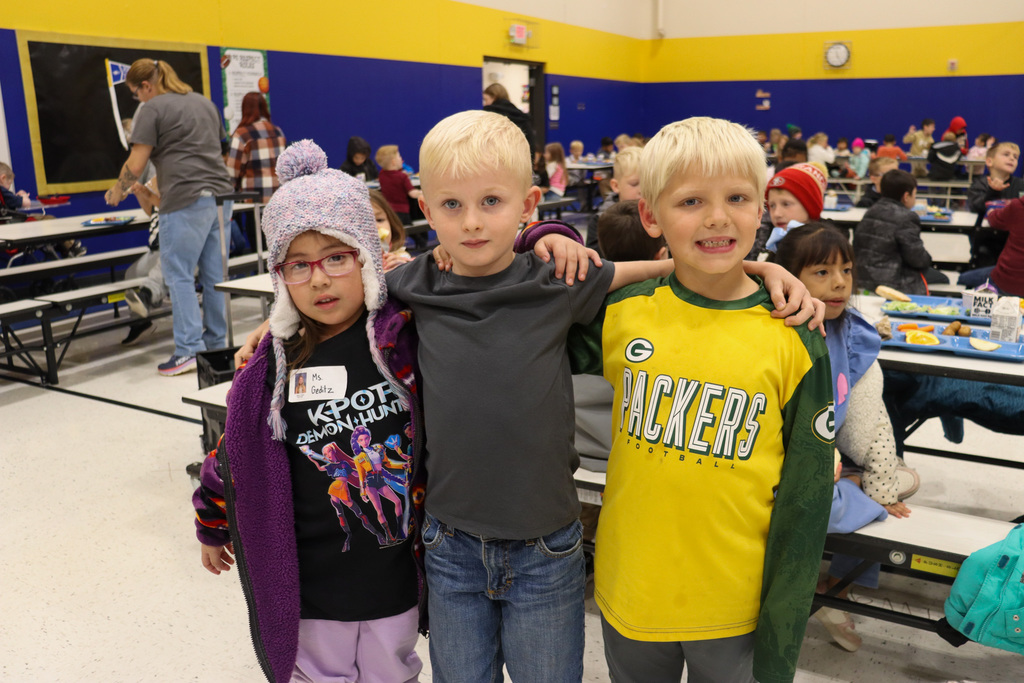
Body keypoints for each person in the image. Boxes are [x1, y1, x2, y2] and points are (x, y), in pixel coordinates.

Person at [567, 116, 834, 683]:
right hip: (632, 584)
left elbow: (806, 497)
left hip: (735, 603)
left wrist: (784, 617)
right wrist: (541, 237)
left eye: (737, 198)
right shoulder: (622, 311)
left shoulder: (794, 330)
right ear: (650, 216)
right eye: (690, 201)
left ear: (761, 208)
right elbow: (522, 305)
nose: (717, 217)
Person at [192, 140, 426, 683]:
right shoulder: (270, 371)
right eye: (298, 265)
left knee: (393, 672)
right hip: (309, 585)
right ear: (279, 278)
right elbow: (235, 454)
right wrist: (211, 519)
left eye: (336, 257)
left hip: (394, 575)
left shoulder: (405, 340)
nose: (319, 279)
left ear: (368, 258)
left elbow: (469, 276)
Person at [775, 223, 920, 652]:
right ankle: (809, 591)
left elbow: (867, 419)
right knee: (832, 503)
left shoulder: (851, 332)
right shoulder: (773, 332)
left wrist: (874, 477)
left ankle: (837, 587)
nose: (839, 283)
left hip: (826, 461)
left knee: (897, 481)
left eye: (846, 269)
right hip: (777, 471)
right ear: (785, 276)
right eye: (821, 271)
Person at [104, 58, 234, 376]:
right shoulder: (204, 103)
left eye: (136, 93)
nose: (138, 100)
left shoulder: (152, 108)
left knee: (178, 276)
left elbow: (136, 161)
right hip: (220, 197)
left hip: (184, 199)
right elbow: (223, 148)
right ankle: (217, 347)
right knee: (216, 278)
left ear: (147, 85)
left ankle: (189, 350)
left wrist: (117, 190)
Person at [853, 169, 933, 294]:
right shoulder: (907, 217)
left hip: (862, 279)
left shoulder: (870, 211)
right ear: (906, 196)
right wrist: (928, 259)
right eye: (914, 195)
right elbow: (917, 259)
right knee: (943, 278)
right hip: (891, 284)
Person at [121, 176, 167, 345]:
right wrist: (142, 194)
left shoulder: (175, 173)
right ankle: (140, 322)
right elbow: (152, 210)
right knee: (131, 273)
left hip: (176, 242)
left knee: (167, 262)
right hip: (156, 245)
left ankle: (148, 295)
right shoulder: (156, 177)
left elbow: (172, 208)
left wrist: (148, 193)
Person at [749, 162, 828, 259]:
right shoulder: (775, 243)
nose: (777, 214)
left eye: (786, 204)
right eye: (772, 206)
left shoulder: (826, 249)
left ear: (810, 206)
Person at [965, 141, 1023, 268]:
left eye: (1015, 157)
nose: (1011, 158)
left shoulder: (1020, 185)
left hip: (1014, 245)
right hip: (985, 243)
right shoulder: (980, 184)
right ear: (990, 162)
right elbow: (975, 206)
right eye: (1006, 154)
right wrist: (993, 192)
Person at [959, 185, 1024, 295]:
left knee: (962, 279)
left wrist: (991, 210)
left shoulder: (1018, 206)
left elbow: (995, 219)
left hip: (1008, 280)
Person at [226, 92, 287, 202]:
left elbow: (232, 173)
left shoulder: (242, 135)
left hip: (253, 201)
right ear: (265, 108)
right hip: (279, 200)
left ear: (244, 109)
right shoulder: (278, 133)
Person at [586, 147, 642, 254]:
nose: (642, 190)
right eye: (634, 184)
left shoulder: (657, 217)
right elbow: (595, 262)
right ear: (616, 186)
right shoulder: (600, 221)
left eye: (648, 184)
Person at [482, 82, 537, 158]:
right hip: (520, 161)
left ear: (494, 97)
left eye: (485, 99)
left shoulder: (489, 114)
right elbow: (530, 145)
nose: (485, 103)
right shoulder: (520, 115)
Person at [367, 189, 413, 271]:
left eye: (380, 220)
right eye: (365, 222)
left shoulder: (401, 257)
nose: (375, 227)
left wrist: (405, 271)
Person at [375, 145, 421, 225]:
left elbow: (391, 175)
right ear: (393, 162)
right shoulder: (402, 177)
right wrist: (422, 192)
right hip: (403, 211)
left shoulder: (381, 175)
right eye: (399, 156)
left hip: (389, 211)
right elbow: (412, 193)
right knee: (414, 233)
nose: (401, 159)